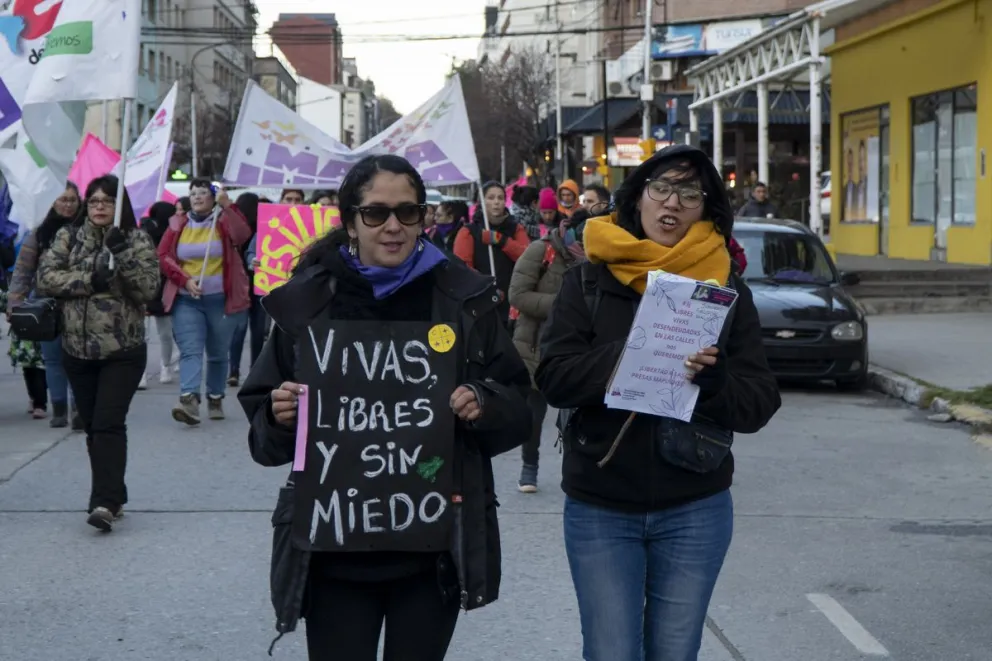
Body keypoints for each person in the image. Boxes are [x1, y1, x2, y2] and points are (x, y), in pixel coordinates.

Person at [237, 154, 532, 660]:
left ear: (424, 217)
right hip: (333, 558)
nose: (393, 226)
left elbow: (518, 404)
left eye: (408, 212)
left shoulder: (462, 299)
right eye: (376, 213)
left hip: (432, 553)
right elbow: (263, 437)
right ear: (351, 220)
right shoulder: (307, 304)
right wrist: (278, 416)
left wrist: (484, 403)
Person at [535, 144, 781, 661]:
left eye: (689, 193)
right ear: (638, 198)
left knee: (674, 651)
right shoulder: (590, 279)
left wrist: (715, 382)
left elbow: (758, 404)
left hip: (695, 505)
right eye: (661, 188)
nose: (671, 203)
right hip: (601, 505)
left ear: (707, 209)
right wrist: (629, 354)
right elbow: (553, 378)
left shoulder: (725, 288)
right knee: (611, 652)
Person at [36, 175, 160, 532]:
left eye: (107, 200)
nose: (100, 206)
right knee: (92, 428)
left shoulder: (135, 239)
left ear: (119, 205)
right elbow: (47, 278)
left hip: (123, 350)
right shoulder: (68, 237)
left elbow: (148, 289)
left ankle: (103, 502)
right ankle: (114, 492)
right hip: (77, 349)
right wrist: (91, 279)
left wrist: (121, 255)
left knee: (108, 423)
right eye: (94, 201)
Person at [508, 193, 585, 493]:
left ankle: (577, 470)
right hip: (535, 345)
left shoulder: (594, 259)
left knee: (577, 414)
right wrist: (563, 305)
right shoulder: (542, 251)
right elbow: (518, 295)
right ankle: (529, 467)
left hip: (577, 349)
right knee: (534, 414)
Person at [157, 178, 251, 425]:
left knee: (219, 353)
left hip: (220, 299)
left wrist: (228, 205)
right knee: (191, 350)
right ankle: (189, 399)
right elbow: (163, 255)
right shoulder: (178, 224)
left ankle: (215, 396)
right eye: (193, 193)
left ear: (213, 198)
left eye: (203, 193)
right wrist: (184, 279)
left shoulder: (223, 221)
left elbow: (243, 235)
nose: (197, 197)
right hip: (187, 300)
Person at [7, 182, 83, 427]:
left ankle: (79, 408)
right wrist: (15, 303)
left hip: (80, 304)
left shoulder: (87, 232)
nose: (68, 204)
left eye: (72, 199)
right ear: (53, 202)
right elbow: (22, 271)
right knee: (52, 359)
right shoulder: (39, 233)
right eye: (63, 199)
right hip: (45, 305)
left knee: (77, 357)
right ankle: (59, 408)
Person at [453, 181, 530, 324]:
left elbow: (527, 258)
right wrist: (487, 288)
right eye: (491, 197)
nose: (496, 202)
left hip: (512, 305)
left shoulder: (515, 228)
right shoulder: (469, 231)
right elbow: (462, 269)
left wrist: (502, 241)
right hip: (480, 306)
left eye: (500, 198)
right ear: (482, 201)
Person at [228, 192, 269, 385]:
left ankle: (234, 370)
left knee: (239, 329)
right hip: (259, 284)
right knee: (258, 330)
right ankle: (255, 370)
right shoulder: (263, 229)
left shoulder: (237, 227)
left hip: (242, 284)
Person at [140, 201, 180, 387]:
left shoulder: (147, 229)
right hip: (159, 285)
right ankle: (164, 367)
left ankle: (150, 372)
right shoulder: (167, 230)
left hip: (151, 286)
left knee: (147, 334)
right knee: (163, 333)